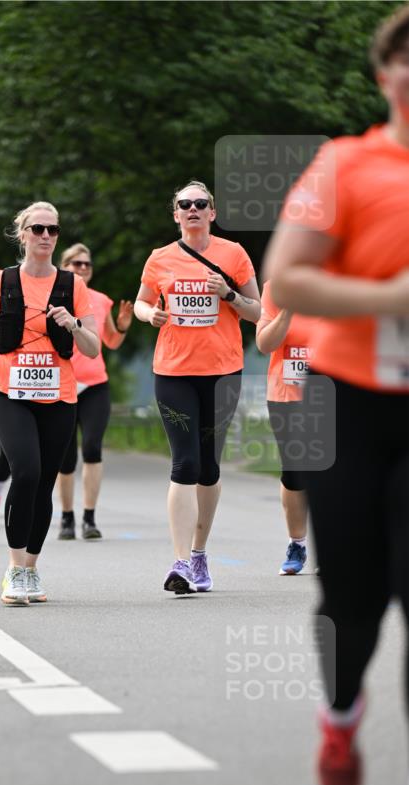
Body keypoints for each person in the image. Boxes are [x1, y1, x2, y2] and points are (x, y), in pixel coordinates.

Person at [263, 4, 409, 785]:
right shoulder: (344, 167)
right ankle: (341, 712)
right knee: (351, 596)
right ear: (386, 75)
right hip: (348, 400)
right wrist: (391, 297)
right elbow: (287, 277)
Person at [0, 201, 98, 605]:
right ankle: (14, 567)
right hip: (10, 392)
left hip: (58, 395)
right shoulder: (1, 281)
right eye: (38, 229)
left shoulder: (73, 286)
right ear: (22, 234)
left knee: (44, 482)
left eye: (53, 230)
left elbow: (92, 348)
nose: (45, 237)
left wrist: (72, 325)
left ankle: (31, 568)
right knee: (25, 470)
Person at [134, 181, 261, 594]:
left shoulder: (233, 254)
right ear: (175, 214)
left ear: (212, 212)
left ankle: (200, 553)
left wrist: (227, 294)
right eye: (184, 204)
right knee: (184, 463)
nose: (192, 209)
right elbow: (140, 301)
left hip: (223, 372)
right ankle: (180, 561)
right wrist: (147, 314)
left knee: (208, 466)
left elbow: (258, 312)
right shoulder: (160, 259)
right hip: (173, 372)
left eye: (199, 204)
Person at [55, 243, 133, 540]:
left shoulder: (101, 301)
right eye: (76, 264)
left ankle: (89, 518)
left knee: (91, 448)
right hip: (62, 383)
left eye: (87, 264)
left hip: (95, 383)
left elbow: (110, 342)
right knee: (65, 457)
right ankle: (66, 518)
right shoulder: (53, 297)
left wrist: (122, 329)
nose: (83, 268)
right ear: (65, 267)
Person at [256, 281, 316, 575]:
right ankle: (297, 543)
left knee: (338, 470)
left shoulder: (341, 281)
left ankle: (335, 546)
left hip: (333, 393)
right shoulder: (276, 288)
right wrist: (287, 311)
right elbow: (265, 343)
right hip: (285, 395)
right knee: (295, 474)